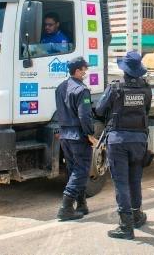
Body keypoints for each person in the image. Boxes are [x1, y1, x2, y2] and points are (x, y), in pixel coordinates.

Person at [95, 51, 152, 240]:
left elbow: (100, 109)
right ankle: (137, 215)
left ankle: (126, 226)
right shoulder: (146, 89)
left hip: (118, 141)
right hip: (139, 141)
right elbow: (146, 111)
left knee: (121, 183)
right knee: (135, 180)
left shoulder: (115, 88)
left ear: (124, 71)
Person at [55, 56, 95, 221]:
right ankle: (65, 207)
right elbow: (84, 115)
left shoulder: (60, 87)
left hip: (65, 135)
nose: (85, 72)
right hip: (78, 135)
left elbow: (59, 111)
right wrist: (90, 133)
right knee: (81, 170)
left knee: (73, 169)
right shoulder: (81, 90)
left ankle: (81, 204)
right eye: (84, 69)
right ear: (77, 70)